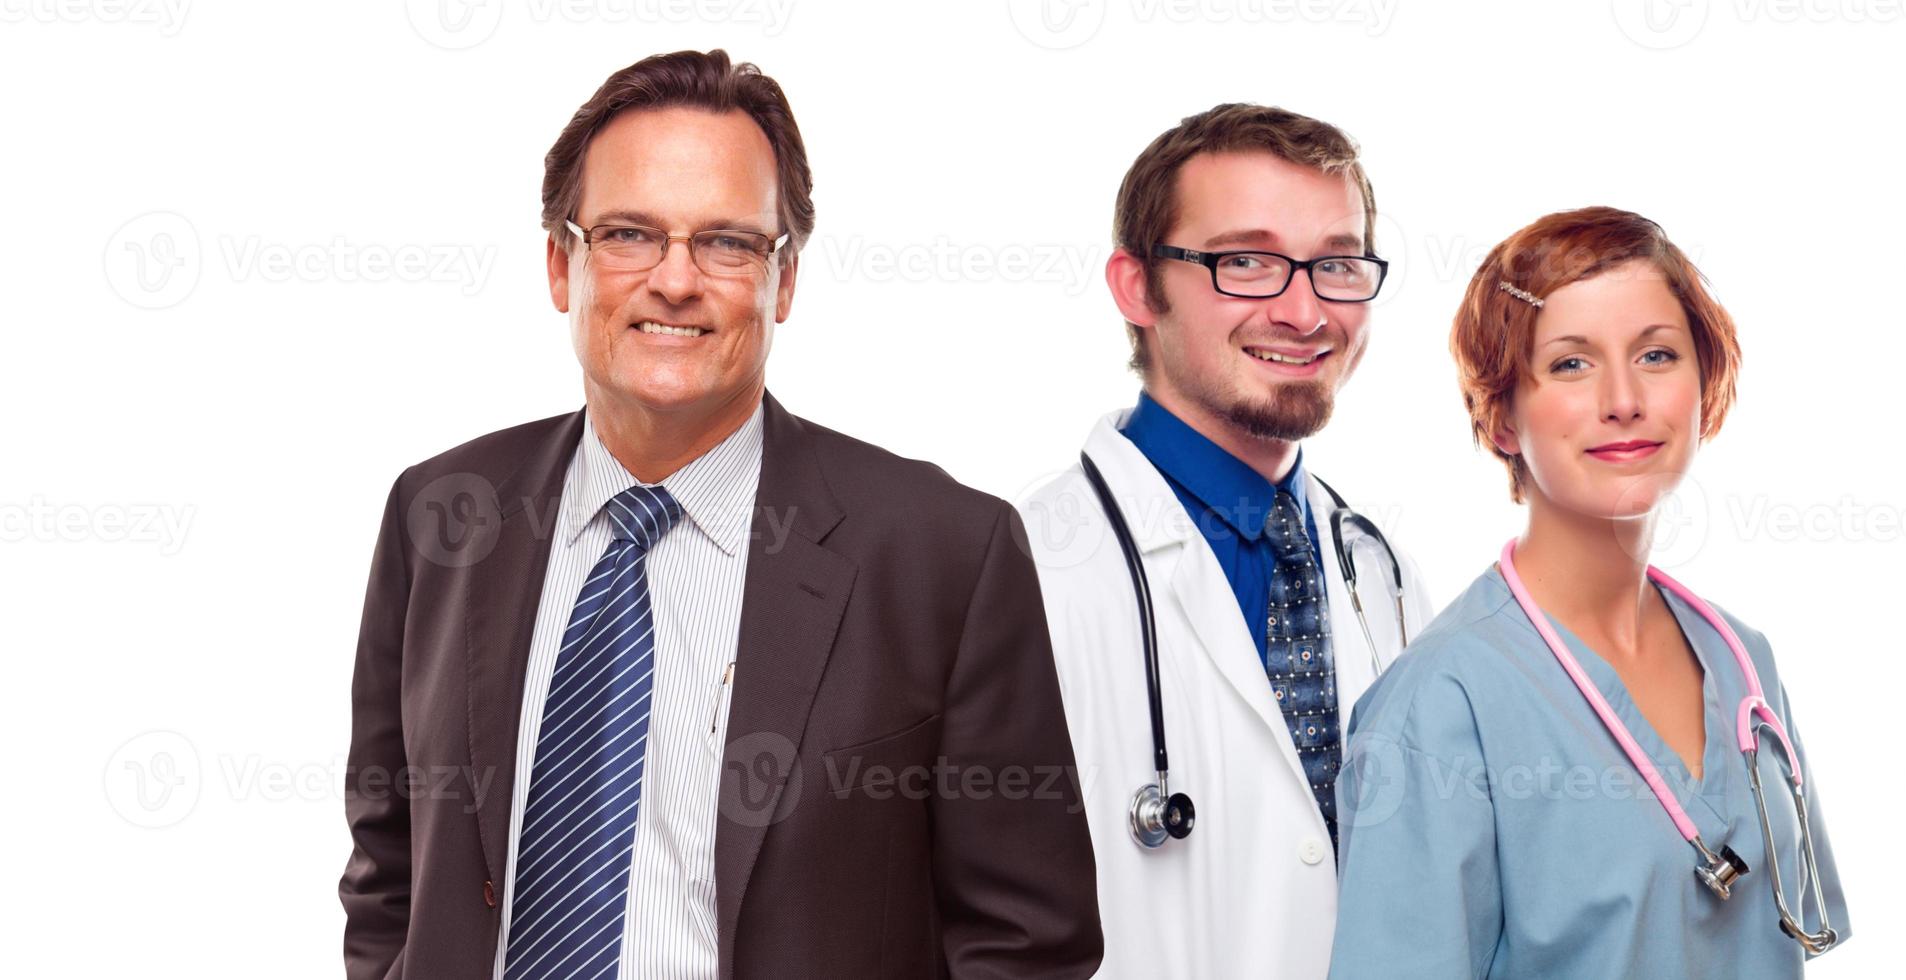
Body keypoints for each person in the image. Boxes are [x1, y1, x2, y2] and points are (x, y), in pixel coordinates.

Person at [338, 49, 1102, 980]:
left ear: (782, 282)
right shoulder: (443, 513)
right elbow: (389, 868)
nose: (674, 280)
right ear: (559, 266)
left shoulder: (944, 551)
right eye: (628, 234)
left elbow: (1028, 941)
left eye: (727, 243)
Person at [1329, 206, 1851, 977]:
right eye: (1572, 364)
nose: (1624, 399)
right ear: (1500, 414)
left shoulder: (1744, 660)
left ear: (1703, 383)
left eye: (1658, 355)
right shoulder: (1440, 705)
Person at [1017, 103, 1434, 978]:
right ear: (1136, 286)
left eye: (1336, 264)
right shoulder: (1027, 572)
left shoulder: (1378, 571)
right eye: (1246, 262)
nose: (1304, 309)